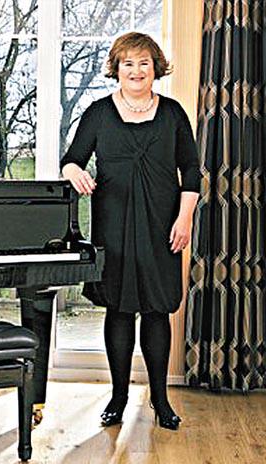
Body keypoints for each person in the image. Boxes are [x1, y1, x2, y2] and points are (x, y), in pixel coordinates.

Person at [60, 32, 201, 431]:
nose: (136, 71)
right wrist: (74, 172)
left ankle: (160, 399)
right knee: (119, 310)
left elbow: (191, 169)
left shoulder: (172, 113)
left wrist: (185, 218)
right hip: (114, 224)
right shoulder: (98, 113)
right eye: (128, 64)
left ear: (155, 68)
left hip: (163, 225)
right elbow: (71, 160)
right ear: (117, 69)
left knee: (157, 310)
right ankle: (118, 397)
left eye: (144, 63)